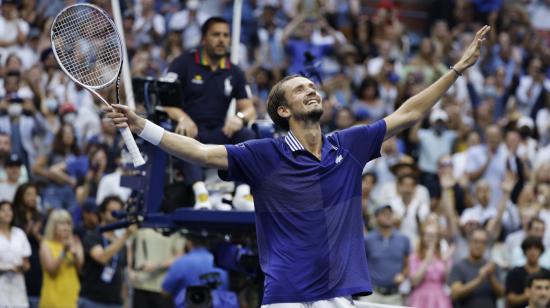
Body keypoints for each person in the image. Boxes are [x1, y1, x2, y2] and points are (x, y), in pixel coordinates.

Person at [106, 25, 490, 306]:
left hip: (339, 295)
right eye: (300, 88)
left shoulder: (349, 145)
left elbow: (409, 112)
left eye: (313, 86)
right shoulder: (264, 154)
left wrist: (456, 70)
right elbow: (202, 153)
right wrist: (143, 126)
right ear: (284, 110)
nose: (312, 89)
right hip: (287, 296)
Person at [164, 16, 256, 210]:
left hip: (220, 132)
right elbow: (165, 102)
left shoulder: (235, 71)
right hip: (192, 130)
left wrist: (239, 118)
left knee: (247, 134)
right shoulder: (184, 63)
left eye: (225, 35)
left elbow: (249, 109)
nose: (222, 40)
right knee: (184, 133)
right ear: (203, 39)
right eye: (216, 35)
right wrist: (182, 117)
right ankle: (201, 195)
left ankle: (242, 193)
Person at [79, 196, 136, 308]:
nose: (115, 214)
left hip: (115, 303)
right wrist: (126, 236)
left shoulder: (120, 243)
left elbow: (122, 275)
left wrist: (124, 302)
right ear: (102, 213)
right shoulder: (92, 235)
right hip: (92, 300)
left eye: (118, 211)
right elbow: (102, 258)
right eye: (111, 211)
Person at [162, 235, 232, 308]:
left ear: (189, 243)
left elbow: (165, 291)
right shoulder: (220, 262)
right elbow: (226, 290)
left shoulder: (181, 262)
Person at [363, 204, 410, 305]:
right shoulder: (368, 240)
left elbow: (407, 265)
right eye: (384, 213)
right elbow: (361, 265)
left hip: (394, 295)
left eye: (390, 213)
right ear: (376, 217)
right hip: (372, 295)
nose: (388, 215)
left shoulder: (403, 239)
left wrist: (403, 275)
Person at [449, 227, 505, 308]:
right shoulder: (459, 266)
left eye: (483, 242)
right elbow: (455, 294)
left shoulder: (492, 266)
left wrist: (491, 277)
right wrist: (479, 280)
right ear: (469, 242)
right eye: (476, 241)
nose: (479, 245)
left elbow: (502, 294)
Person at [39, 209, 84, 308]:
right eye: (62, 224)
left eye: (68, 224)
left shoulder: (75, 241)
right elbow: (51, 271)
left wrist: (75, 254)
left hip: (72, 297)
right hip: (53, 298)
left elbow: (80, 268)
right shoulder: (46, 244)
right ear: (53, 226)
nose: (66, 228)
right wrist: (64, 251)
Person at [407, 222, 453, 308]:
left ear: (438, 238)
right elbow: (414, 282)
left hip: (440, 298)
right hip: (420, 297)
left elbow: (448, 282)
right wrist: (427, 258)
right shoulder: (415, 256)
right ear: (423, 236)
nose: (430, 238)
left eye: (433, 235)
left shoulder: (444, 256)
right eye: (428, 235)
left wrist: (446, 262)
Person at [0, 200, 31, 308]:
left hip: (18, 285)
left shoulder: (19, 233)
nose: (7, 213)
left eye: (9, 210)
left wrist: (23, 266)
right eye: (3, 210)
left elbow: (26, 262)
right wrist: (7, 268)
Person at [505, 236, 550, 308]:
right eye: (529, 249)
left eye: (536, 248)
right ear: (524, 251)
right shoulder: (515, 273)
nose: (533, 252)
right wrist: (527, 295)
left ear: (541, 251)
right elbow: (510, 298)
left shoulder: (547, 274)